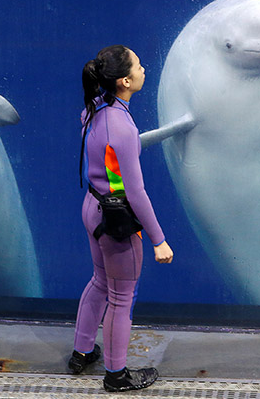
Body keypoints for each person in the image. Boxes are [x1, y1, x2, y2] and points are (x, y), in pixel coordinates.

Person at [69, 45, 174, 393]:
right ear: (126, 80)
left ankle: (81, 352)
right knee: (121, 297)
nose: (145, 69)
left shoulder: (94, 108)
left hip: (91, 206)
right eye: (139, 66)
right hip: (115, 220)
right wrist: (158, 239)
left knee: (100, 281)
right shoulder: (122, 128)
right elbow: (136, 192)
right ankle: (116, 374)